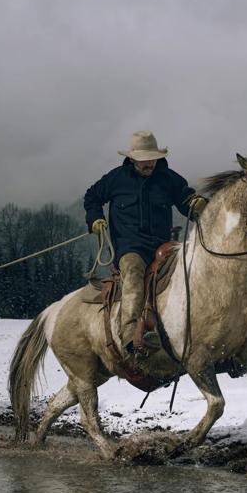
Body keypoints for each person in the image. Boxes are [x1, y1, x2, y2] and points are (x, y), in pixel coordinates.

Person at [83, 130, 207, 351]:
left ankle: (203, 329)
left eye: (152, 158)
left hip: (163, 245)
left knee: (193, 270)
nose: (149, 163)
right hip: (130, 246)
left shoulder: (170, 179)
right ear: (132, 159)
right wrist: (95, 219)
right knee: (132, 271)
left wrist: (196, 204)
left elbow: (186, 198)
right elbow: (92, 197)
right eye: (143, 159)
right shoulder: (115, 179)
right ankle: (131, 336)